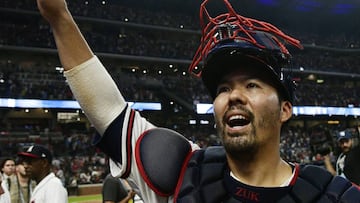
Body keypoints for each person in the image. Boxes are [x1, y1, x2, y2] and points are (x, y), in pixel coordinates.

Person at [34, 0, 360, 202]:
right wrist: (59, 17)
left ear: (285, 110)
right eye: (222, 89)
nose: (233, 96)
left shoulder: (333, 195)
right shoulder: (181, 172)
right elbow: (108, 111)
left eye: (252, 84)